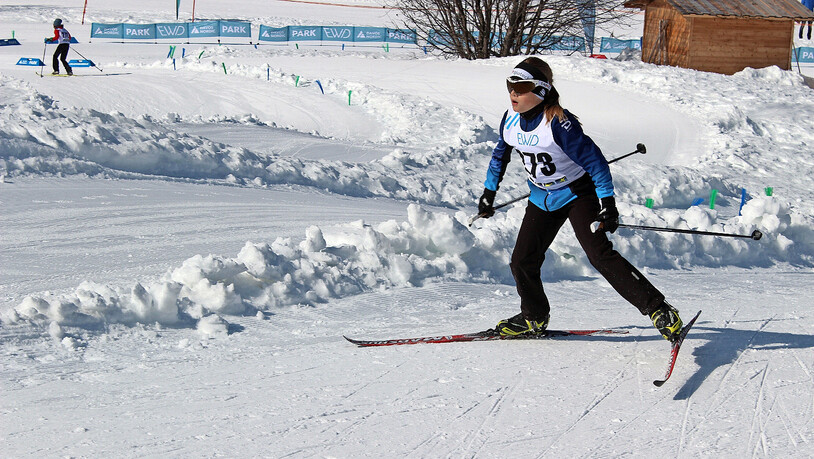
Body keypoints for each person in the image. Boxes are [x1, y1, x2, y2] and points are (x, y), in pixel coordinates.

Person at [477, 57, 683, 342]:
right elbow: (500, 155)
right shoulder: (509, 120)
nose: (513, 92)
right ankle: (534, 317)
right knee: (522, 261)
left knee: (599, 255)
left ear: (540, 90)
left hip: (577, 194)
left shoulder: (559, 124)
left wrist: (608, 204)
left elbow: (596, 163)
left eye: (521, 87)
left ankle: (659, 310)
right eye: (510, 85)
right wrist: (489, 193)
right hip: (541, 197)